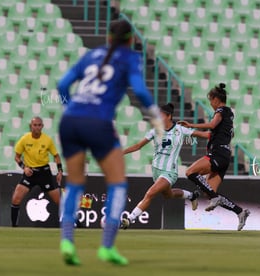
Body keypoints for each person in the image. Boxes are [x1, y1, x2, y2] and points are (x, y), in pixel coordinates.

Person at [57, 19, 163, 266]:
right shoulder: (130, 58)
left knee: (74, 184)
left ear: (107, 37)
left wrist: (71, 108)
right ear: (131, 39)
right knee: (117, 184)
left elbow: (62, 85)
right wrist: (156, 118)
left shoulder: (91, 55)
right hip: (99, 122)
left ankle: (66, 241)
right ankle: (106, 246)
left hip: (70, 121)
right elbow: (141, 91)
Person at [120, 103, 209, 229]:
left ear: (168, 116)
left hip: (169, 172)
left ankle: (129, 219)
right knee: (168, 195)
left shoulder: (180, 130)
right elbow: (138, 146)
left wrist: (220, 135)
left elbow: (203, 135)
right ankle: (191, 195)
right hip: (156, 170)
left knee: (150, 193)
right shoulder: (155, 130)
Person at [179, 83, 250, 231]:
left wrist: (191, 124)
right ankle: (240, 212)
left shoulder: (221, 110)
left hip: (217, 154)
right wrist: (190, 131)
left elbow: (211, 125)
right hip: (224, 156)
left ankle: (210, 197)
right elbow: (210, 134)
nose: (210, 104)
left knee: (190, 172)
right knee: (209, 192)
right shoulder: (228, 117)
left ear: (216, 99)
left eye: (211, 100)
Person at [11, 116, 63, 227]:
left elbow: (56, 156)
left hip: (44, 173)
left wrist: (59, 171)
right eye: (35, 125)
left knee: (60, 202)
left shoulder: (47, 140)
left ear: (42, 126)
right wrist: (24, 167)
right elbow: (17, 157)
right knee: (16, 199)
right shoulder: (25, 139)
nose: (37, 127)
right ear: (31, 126)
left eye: (39, 125)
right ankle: (14, 227)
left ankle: (78, 224)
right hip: (30, 173)